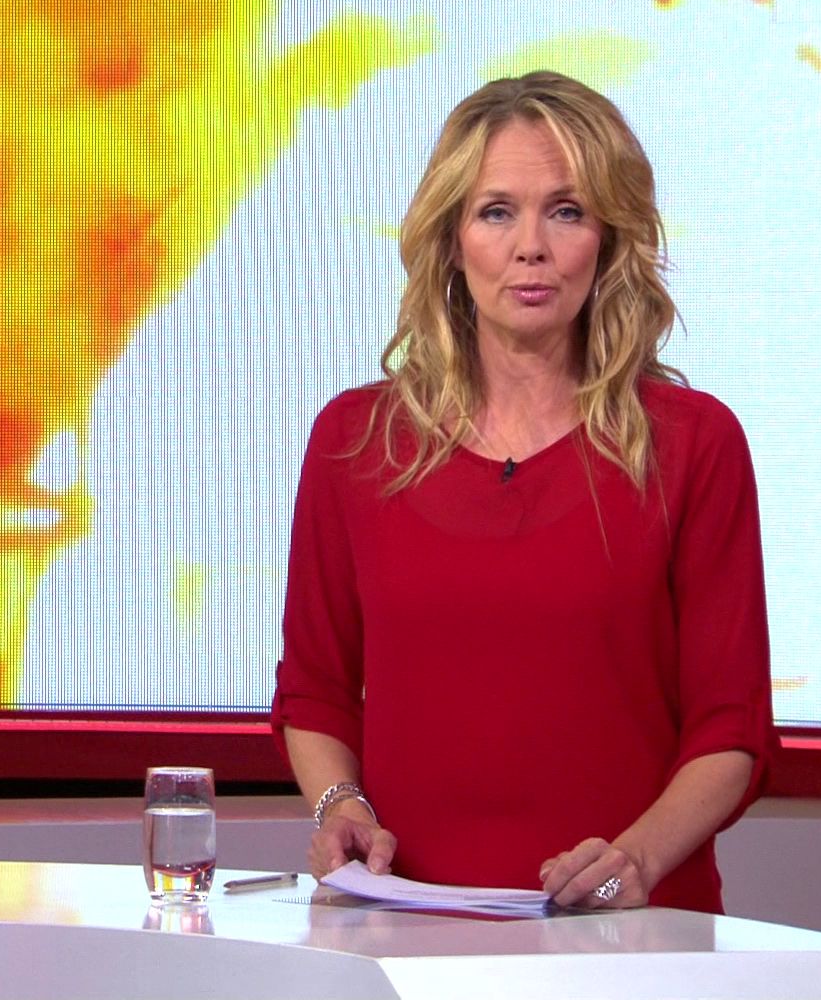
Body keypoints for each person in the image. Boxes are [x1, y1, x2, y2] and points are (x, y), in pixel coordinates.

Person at [269, 71, 774, 914]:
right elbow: (315, 691)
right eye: (497, 212)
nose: (530, 246)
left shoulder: (694, 445)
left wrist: (635, 861)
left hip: (629, 930)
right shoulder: (355, 443)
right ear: (451, 239)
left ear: (609, 239)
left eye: (567, 212)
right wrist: (340, 808)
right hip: (411, 925)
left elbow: (732, 729)